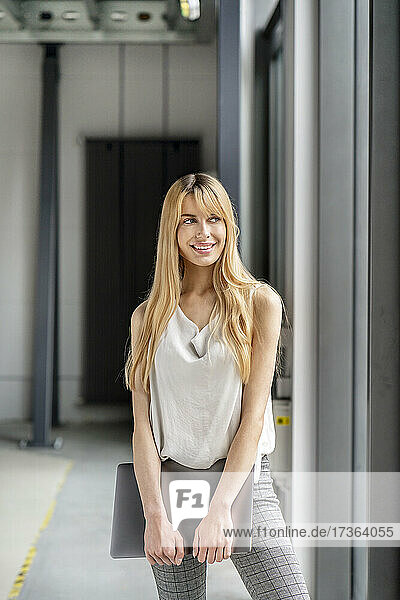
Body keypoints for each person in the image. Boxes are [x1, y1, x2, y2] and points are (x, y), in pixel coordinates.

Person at [124, 173, 311, 599]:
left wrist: (222, 507)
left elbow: (254, 416)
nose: (204, 232)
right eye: (189, 220)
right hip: (172, 485)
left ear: (230, 226)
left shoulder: (260, 303)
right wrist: (154, 515)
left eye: (214, 219)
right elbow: (143, 431)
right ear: (172, 231)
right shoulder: (147, 318)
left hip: (244, 481)